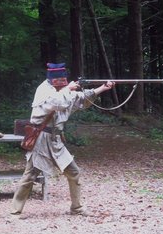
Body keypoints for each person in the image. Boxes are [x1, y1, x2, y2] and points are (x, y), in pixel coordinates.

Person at [11, 63, 114, 216]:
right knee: (30, 176)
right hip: (41, 138)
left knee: (74, 172)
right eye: (61, 80)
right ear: (54, 80)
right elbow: (57, 103)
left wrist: (103, 88)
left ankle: (76, 208)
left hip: (55, 140)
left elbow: (81, 98)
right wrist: (68, 89)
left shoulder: (63, 91)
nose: (64, 82)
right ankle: (15, 211)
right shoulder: (44, 90)